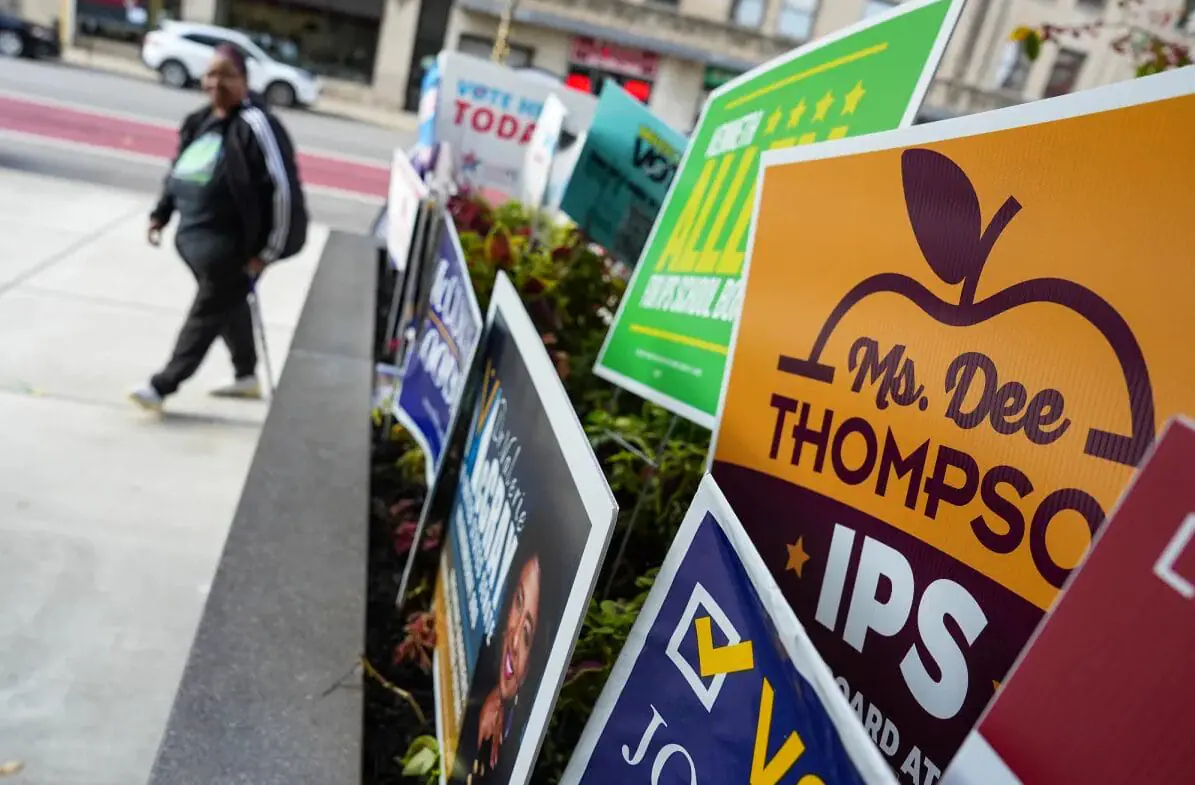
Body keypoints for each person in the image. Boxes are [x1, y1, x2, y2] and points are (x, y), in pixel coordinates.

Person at [130, 43, 306, 412]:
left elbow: (284, 192)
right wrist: (160, 213)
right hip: (193, 243)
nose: (216, 82)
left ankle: (163, 385)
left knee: (207, 312)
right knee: (229, 305)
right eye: (211, 74)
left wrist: (267, 254)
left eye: (227, 74)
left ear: (244, 80)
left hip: (231, 251)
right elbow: (179, 168)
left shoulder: (258, 125)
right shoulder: (199, 121)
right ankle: (246, 375)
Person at [451, 550, 546, 783]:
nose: (514, 641)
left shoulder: (526, 745)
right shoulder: (480, 669)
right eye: (518, 601)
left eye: (527, 635)